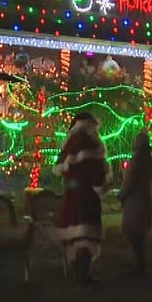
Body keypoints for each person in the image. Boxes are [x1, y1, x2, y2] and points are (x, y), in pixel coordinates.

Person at [53, 112, 110, 284]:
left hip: (71, 196)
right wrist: (102, 185)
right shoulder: (91, 145)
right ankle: (82, 273)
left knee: (75, 235)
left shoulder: (69, 144)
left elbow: (58, 167)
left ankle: (77, 270)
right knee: (86, 235)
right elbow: (96, 172)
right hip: (87, 197)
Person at [119, 130, 152, 277]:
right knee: (141, 234)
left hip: (135, 200)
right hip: (147, 198)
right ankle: (140, 264)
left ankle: (139, 266)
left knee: (134, 233)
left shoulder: (136, 161)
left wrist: (121, 195)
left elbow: (129, 182)